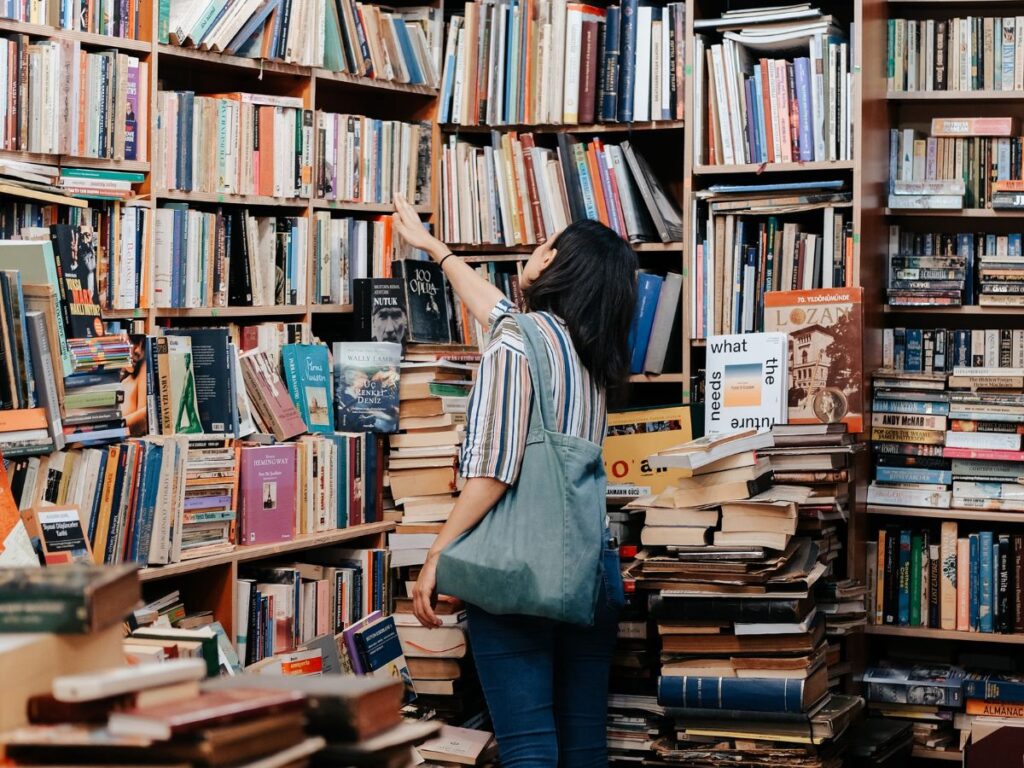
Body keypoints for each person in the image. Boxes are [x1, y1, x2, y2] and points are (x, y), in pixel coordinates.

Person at [392, 194, 637, 768]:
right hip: (591, 570)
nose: (537, 248)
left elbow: (494, 471)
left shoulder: (517, 344)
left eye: (549, 244)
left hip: (522, 569)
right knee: (583, 745)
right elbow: (496, 310)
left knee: (527, 745)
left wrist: (437, 554)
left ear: (556, 264)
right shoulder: (590, 353)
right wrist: (433, 248)